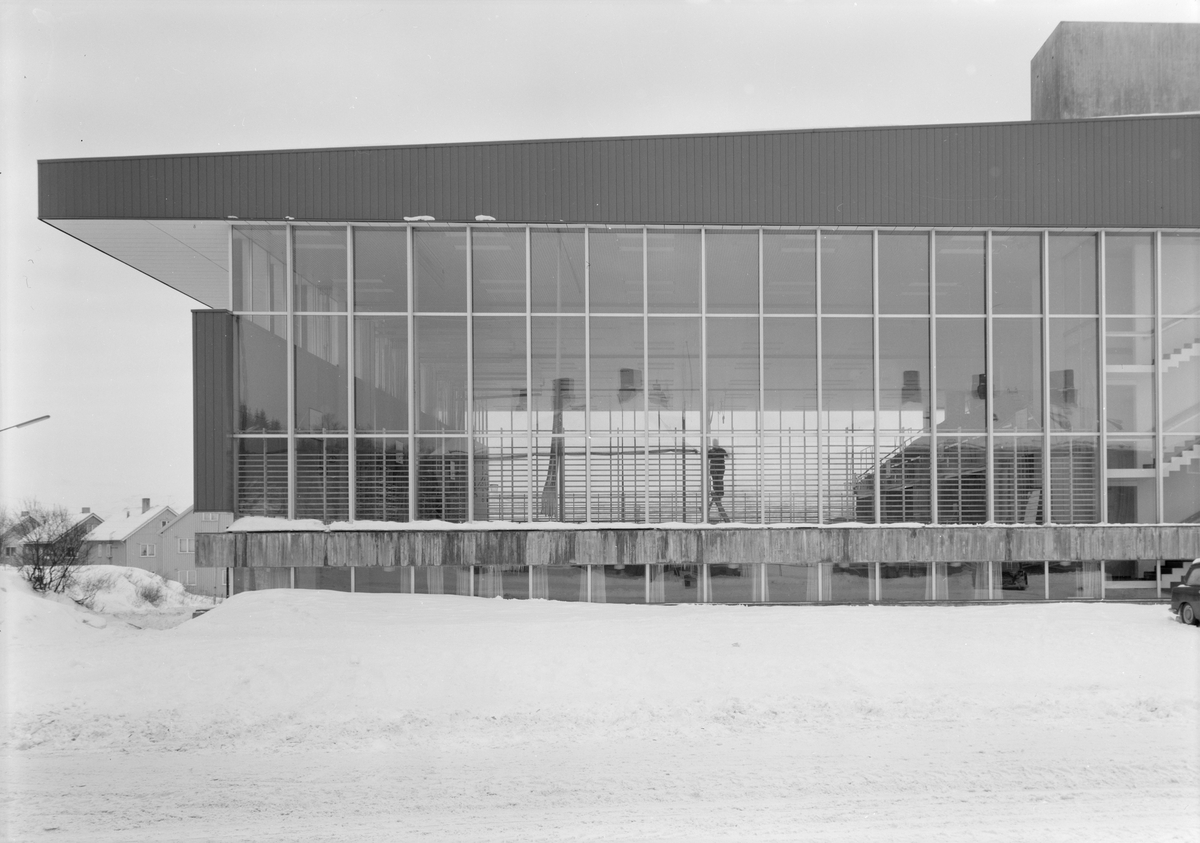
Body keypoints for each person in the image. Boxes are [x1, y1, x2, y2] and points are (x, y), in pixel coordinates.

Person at [707, 442, 730, 522]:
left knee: (718, 479)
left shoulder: (720, 450)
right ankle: (718, 492)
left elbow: (727, 455)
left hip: (718, 467)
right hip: (715, 467)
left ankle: (719, 492)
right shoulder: (713, 451)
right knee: (716, 479)